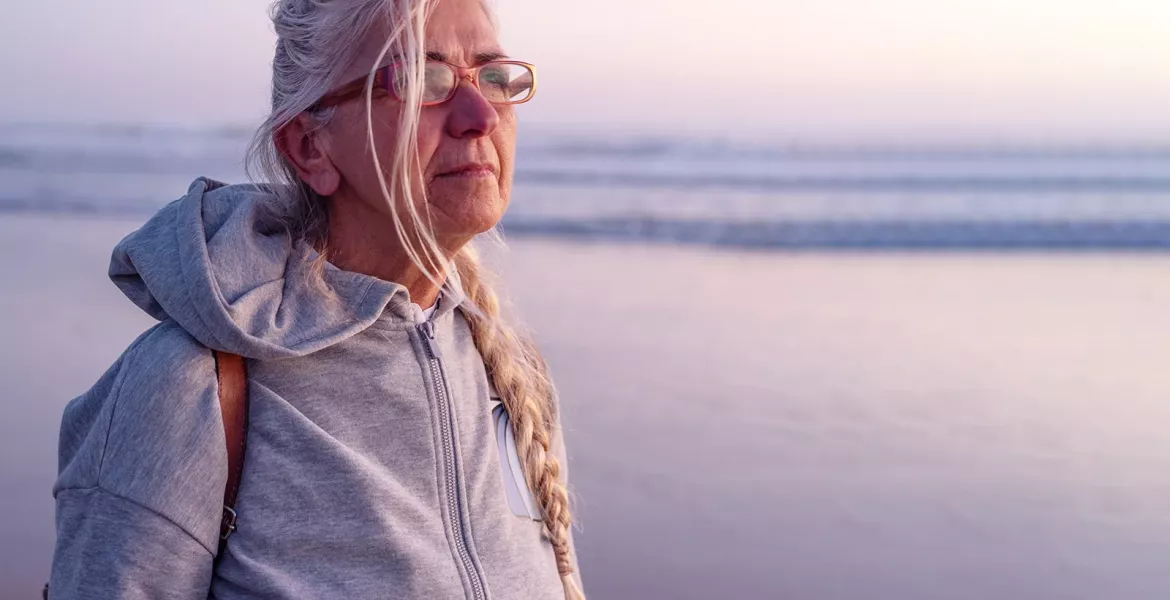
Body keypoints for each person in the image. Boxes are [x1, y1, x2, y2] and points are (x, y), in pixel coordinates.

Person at [47, 0, 584, 597]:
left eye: (493, 77)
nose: (479, 114)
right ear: (310, 146)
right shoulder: (191, 387)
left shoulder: (509, 372)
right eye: (421, 80)